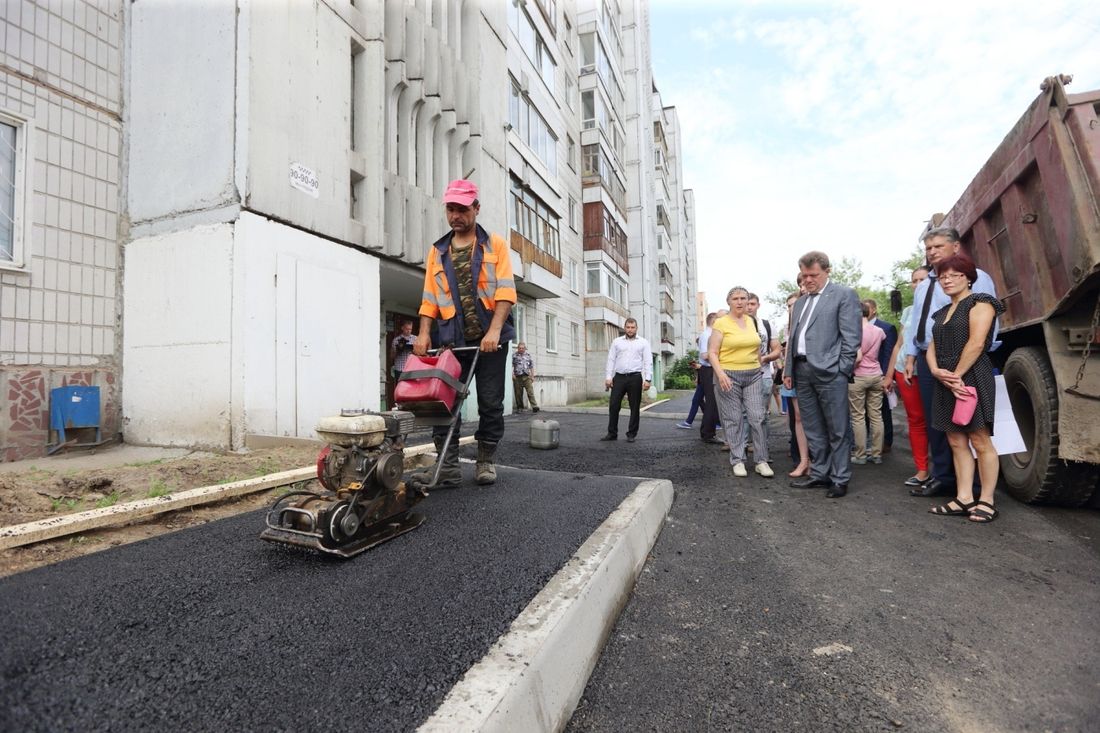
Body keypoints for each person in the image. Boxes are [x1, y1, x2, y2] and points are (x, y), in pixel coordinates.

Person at [408, 179, 516, 489]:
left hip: (490, 339)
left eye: (463, 210)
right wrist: (424, 334)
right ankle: (449, 467)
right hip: (451, 340)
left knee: (491, 403)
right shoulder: (437, 251)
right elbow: (430, 297)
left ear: (476, 209)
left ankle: (485, 460)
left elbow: (506, 291)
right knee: (443, 402)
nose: (456, 216)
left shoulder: (494, 245)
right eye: (451, 209)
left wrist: (494, 330)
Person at [903, 227, 998, 497]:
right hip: (929, 358)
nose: (931, 252)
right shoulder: (923, 285)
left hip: (965, 359)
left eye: (938, 246)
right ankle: (945, 478)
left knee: (973, 426)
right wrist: (912, 357)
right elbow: (916, 327)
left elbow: (985, 330)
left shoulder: (976, 278)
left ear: (956, 247)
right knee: (941, 424)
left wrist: (960, 369)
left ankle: (979, 490)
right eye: (928, 248)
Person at [925, 255, 1005, 523]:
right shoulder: (941, 312)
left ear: (968, 277)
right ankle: (964, 497)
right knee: (955, 440)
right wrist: (936, 371)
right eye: (942, 276)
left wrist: (956, 376)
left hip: (971, 375)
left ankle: (987, 501)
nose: (946, 280)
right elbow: (932, 348)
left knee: (980, 440)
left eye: (953, 275)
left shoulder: (981, 303)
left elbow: (977, 343)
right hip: (946, 378)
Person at [785, 251, 862, 498]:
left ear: (827, 272)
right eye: (804, 275)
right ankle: (820, 474)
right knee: (812, 426)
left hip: (831, 372)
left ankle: (839, 478)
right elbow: (793, 337)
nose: (807, 280)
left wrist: (843, 369)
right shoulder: (800, 302)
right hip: (801, 370)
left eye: (813, 275)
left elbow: (851, 337)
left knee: (838, 427)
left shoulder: (843, 295)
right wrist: (788, 370)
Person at [708, 287, 774, 478]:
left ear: (748, 301)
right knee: (734, 419)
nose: (739, 302)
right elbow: (712, 352)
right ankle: (738, 460)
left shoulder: (752, 321)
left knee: (758, 416)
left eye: (743, 298)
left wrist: (756, 362)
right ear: (729, 302)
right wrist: (720, 374)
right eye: (735, 298)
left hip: (753, 375)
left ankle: (761, 461)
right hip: (728, 376)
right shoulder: (721, 323)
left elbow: (756, 347)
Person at [883, 266, 931, 487]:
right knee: (916, 420)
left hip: (930, 370)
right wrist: (889, 375)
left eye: (923, 279)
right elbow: (899, 345)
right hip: (905, 372)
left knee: (938, 421)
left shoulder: (940, 305)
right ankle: (922, 470)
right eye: (914, 280)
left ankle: (945, 469)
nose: (918, 284)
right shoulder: (909, 311)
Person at [602, 318, 652, 443]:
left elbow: (648, 361)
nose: (630, 330)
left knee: (634, 407)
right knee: (613, 405)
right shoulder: (617, 342)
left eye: (632, 327)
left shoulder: (643, 343)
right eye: (628, 327)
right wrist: (608, 377)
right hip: (618, 377)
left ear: (636, 328)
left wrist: (648, 379)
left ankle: (631, 434)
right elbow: (611, 359)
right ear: (625, 328)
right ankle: (612, 433)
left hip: (635, 377)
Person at [849, 302, 886, 465]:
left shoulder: (854, 332)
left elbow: (857, 357)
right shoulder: (879, 331)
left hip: (858, 376)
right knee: (876, 415)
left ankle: (860, 454)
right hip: (876, 375)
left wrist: (849, 369)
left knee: (858, 416)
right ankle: (877, 453)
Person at [744, 293, 782, 448]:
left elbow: (777, 350)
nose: (749, 307)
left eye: (752, 303)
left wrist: (765, 359)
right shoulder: (736, 325)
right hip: (742, 375)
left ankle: (762, 447)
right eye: (747, 304)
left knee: (762, 414)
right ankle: (744, 445)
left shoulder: (766, 325)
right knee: (744, 414)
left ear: (758, 305)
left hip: (764, 375)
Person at [781, 292, 810, 476]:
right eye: (789, 306)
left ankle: (818, 460)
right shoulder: (789, 327)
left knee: (813, 419)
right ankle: (803, 460)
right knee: (798, 418)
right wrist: (786, 371)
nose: (792, 308)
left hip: (813, 372)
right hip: (793, 373)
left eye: (794, 304)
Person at [865, 299, 897, 452]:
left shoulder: (887, 327)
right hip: (861, 375)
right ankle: (864, 443)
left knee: (883, 410)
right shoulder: (855, 328)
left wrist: (886, 375)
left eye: (867, 308)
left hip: (880, 375)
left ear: (874, 309)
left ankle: (886, 442)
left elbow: (889, 353)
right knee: (861, 413)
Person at [389, 319, 417, 408]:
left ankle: (412, 406)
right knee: (400, 388)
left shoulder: (415, 339)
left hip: (411, 368)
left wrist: (413, 350)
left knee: (411, 388)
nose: (408, 331)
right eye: (406, 329)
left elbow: (421, 353)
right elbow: (391, 357)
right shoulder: (396, 340)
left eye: (410, 329)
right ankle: (400, 406)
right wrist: (398, 349)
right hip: (399, 368)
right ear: (402, 328)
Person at [512, 342, 538, 413]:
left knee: (530, 392)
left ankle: (534, 406)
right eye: (520, 348)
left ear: (525, 348)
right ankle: (520, 408)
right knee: (518, 393)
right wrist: (512, 374)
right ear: (518, 348)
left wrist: (532, 376)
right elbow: (511, 365)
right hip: (517, 377)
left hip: (527, 376)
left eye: (522, 348)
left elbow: (531, 366)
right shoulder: (514, 355)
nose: (521, 349)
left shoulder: (528, 355)